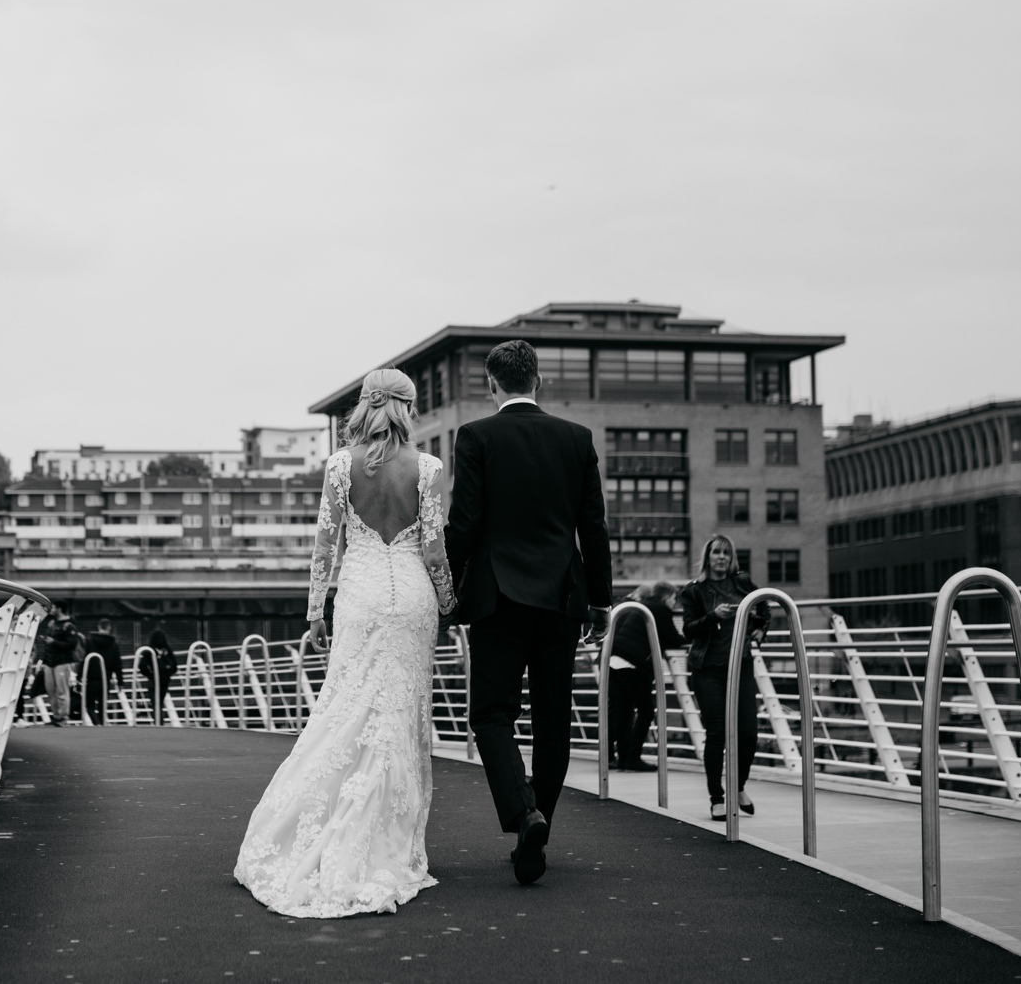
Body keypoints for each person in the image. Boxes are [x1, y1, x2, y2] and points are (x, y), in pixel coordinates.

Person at [234, 368, 456, 916]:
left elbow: (324, 549)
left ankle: (325, 825)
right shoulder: (428, 469)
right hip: (410, 598)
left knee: (346, 706)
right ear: (406, 409)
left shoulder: (339, 466)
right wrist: (450, 603)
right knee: (400, 716)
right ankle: (388, 839)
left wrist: (314, 613)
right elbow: (433, 552)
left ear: (366, 406)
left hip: (357, 597)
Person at [444, 339, 612, 886]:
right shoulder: (576, 438)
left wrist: (444, 588)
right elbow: (594, 527)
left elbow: (465, 525)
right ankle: (535, 830)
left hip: (499, 598)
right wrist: (601, 600)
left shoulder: (477, 436)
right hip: (563, 599)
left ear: (492, 384)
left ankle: (525, 814)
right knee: (553, 720)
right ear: (537, 381)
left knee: (491, 715)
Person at [681, 534, 768, 820]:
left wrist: (760, 629)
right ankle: (716, 797)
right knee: (717, 732)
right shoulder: (694, 591)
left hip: (740, 666)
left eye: (726, 553)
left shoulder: (742, 583)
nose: (721, 557)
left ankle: (738, 786)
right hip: (708, 670)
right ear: (707, 557)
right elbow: (689, 630)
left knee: (748, 733)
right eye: (717, 552)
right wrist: (714, 616)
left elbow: (764, 608)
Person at [608, 581, 684, 771]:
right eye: (674, 599)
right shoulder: (659, 608)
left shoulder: (643, 606)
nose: (674, 604)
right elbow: (672, 637)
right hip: (633, 663)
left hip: (615, 660)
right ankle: (633, 757)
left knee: (624, 712)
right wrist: (695, 637)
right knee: (646, 711)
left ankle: (624, 758)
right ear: (666, 596)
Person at [38, 612, 79, 726]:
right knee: (51, 691)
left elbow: (72, 645)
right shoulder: (51, 624)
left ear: (60, 608)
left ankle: (63, 717)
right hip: (49, 661)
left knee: (62, 690)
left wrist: (54, 642)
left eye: (54, 607)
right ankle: (56, 716)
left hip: (63, 661)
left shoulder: (69, 626)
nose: (51, 610)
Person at [83, 618, 124, 725]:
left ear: (99, 626)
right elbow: (117, 664)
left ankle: (97, 724)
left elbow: (84, 661)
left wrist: (80, 677)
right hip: (106, 680)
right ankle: (100, 725)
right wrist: (120, 682)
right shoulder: (114, 644)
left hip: (91, 679)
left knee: (89, 706)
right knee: (102, 707)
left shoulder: (90, 642)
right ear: (109, 628)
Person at [145, 627, 178, 723]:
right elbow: (174, 666)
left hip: (154, 680)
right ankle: (160, 721)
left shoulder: (149, 650)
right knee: (160, 701)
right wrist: (167, 674)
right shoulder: (167, 650)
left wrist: (150, 675)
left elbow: (142, 666)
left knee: (155, 702)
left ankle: (158, 721)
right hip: (165, 680)